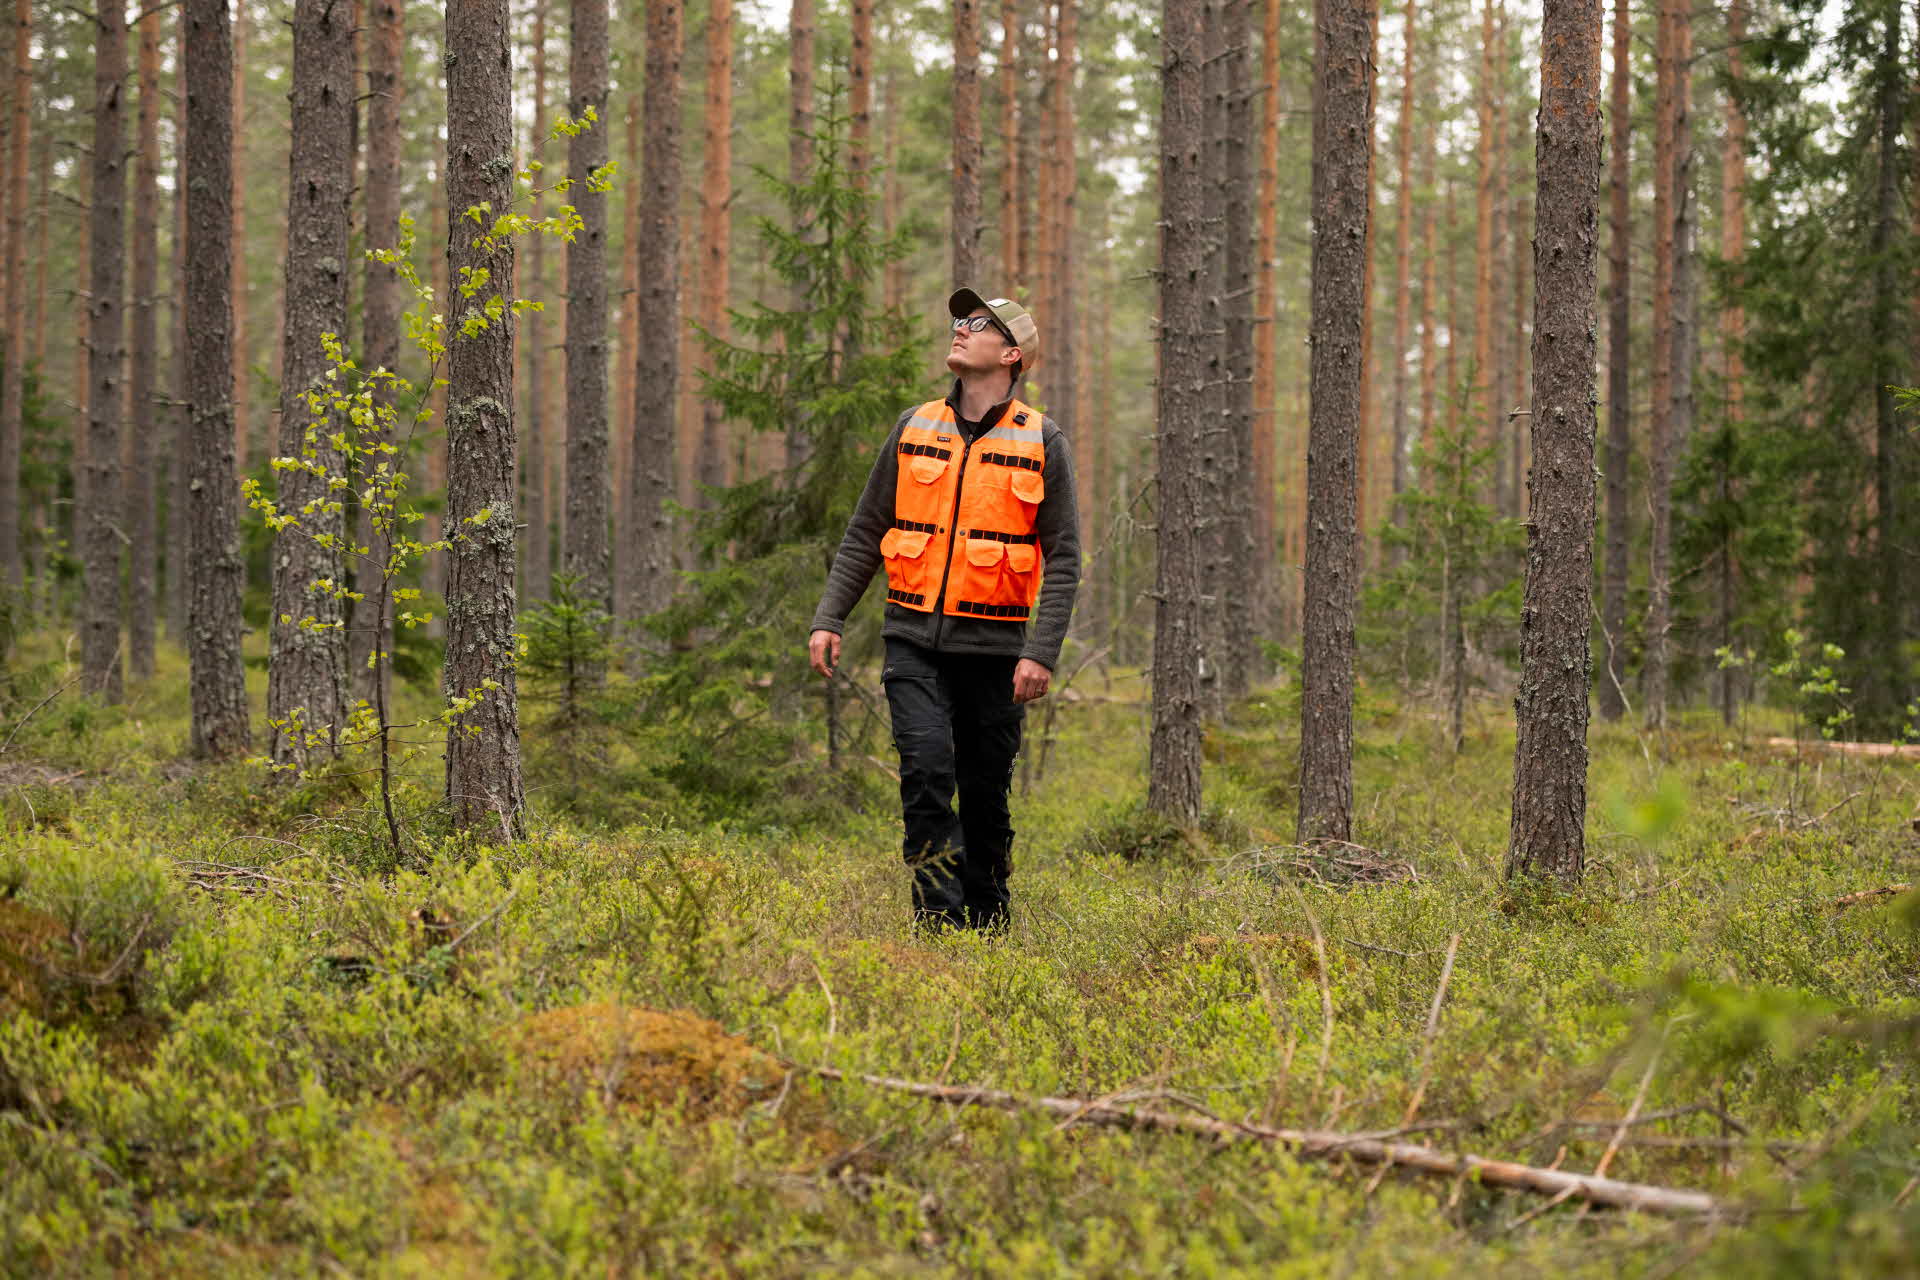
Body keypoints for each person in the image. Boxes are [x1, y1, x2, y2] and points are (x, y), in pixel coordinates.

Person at [809, 289, 1080, 931]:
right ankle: (938, 923)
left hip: (996, 651)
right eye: (957, 321)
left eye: (977, 324)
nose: (959, 330)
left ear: (1012, 354)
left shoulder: (1042, 439)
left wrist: (1040, 653)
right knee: (926, 772)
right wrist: (829, 616)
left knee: (985, 795)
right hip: (913, 641)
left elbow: (1065, 557)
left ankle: (988, 921)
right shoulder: (914, 426)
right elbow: (866, 530)